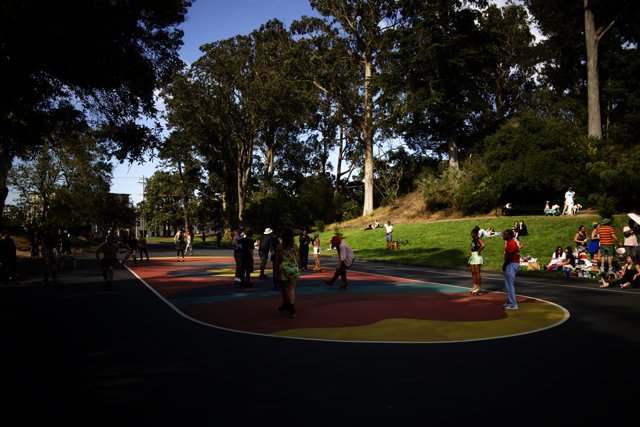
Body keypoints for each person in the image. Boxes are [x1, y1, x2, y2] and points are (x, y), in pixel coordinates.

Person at [274, 227, 301, 318]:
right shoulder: (295, 246)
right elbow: (297, 259)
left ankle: (286, 303)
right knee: (292, 288)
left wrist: (277, 270)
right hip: (293, 267)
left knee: (284, 287)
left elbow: (277, 260)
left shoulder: (279, 247)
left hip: (283, 268)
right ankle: (292, 307)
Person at [502, 229, 520, 310]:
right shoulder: (511, 243)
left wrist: (504, 265)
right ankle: (510, 301)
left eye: (504, 234)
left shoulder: (511, 244)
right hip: (512, 264)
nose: (503, 236)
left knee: (510, 285)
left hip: (511, 264)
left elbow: (510, 257)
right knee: (507, 284)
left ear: (508, 235)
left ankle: (513, 304)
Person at [468, 227, 485, 295]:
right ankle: (474, 286)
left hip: (477, 256)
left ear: (475, 234)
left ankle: (478, 287)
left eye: (472, 233)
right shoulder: (473, 240)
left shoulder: (478, 239)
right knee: (473, 272)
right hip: (473, 256)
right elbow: (471, 247)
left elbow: (483, 245)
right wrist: (470, 250)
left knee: (477, 272)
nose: (471, 234)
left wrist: (479, 251)